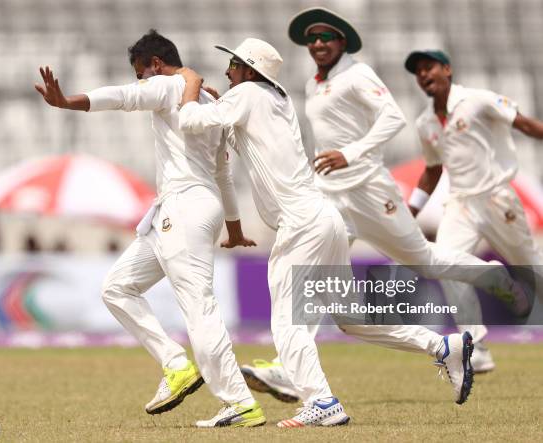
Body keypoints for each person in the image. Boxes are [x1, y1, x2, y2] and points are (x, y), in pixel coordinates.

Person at [178, 37, 474, 427]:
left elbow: (188, 121)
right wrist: (220, 102)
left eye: (233, 65)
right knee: (351, 318)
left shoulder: (248, 92)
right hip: (323, 219)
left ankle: (321, 401)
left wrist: (190, 83)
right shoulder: (271, 97)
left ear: (249, 70)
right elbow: (236, 131)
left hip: (301, 225)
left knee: (287, 321)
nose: (228, 71)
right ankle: (441, 344)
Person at [240, 7, 531, 403]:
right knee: (315, 279)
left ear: (342, 42)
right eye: (312, 39)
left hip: (368, 189)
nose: (319, 44)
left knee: (423, 261)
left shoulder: (357, 73)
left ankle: (492, 277)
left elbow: (392, 117)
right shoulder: (312, 84)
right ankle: (291, 371)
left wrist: (352, 153)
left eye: (326, 37)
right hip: (330, 197)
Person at [35, 29, 265, 428]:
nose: (141, 81)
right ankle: (176, 364)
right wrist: (233, 228)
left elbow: (124, 97)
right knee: (118, 287)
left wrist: (67, 102)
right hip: (189, 209)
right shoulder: (210, 99)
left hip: (184, 208)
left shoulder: (168, 84)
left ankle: (239, 401)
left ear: (155, 64)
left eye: (141, 72)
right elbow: (224, 175)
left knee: (198, 307)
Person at [404, 49, 543, 372]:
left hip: (497, 197)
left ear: (447, 69)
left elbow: (522, 123)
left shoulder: (477, 100)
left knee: (531, 268)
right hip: (461, 203)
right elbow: (433, 170)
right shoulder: (425, 122)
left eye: (429, 68)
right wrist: (411, 210)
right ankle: (476, 345)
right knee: (446, 263)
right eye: (419, 72)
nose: (424, 75)